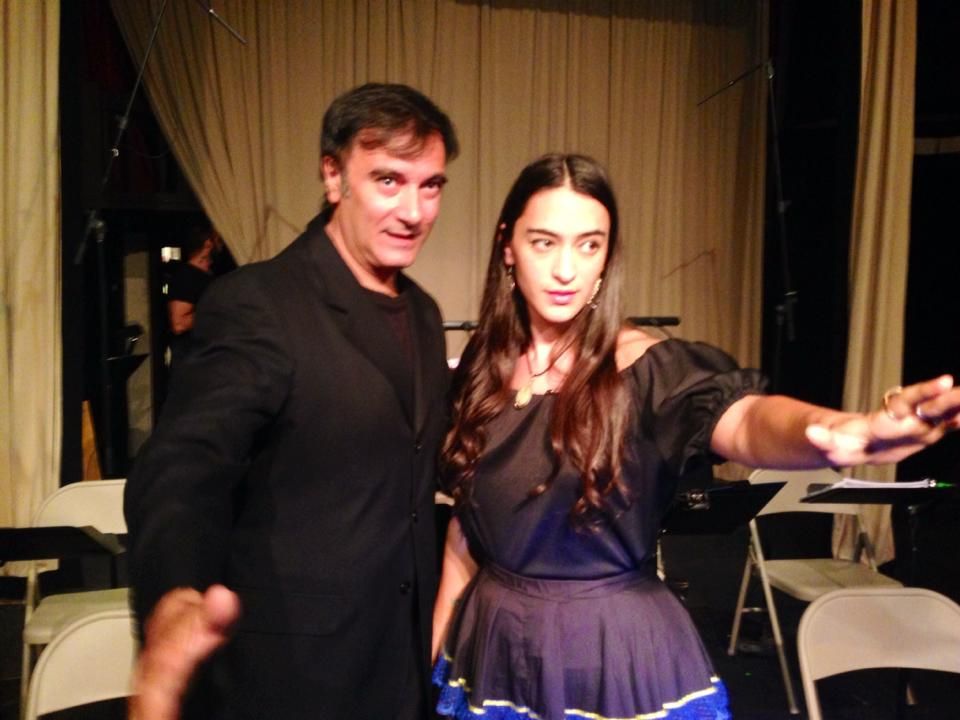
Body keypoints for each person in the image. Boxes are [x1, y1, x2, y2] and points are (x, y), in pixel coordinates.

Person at [429, 153, 960, 720]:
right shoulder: (479, 371)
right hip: (497, 645)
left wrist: (837, 429)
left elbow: (745, 419)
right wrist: (429, 665)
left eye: (589, 245)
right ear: (508, 246)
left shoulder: (648, 368)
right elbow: (464, 538)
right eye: (544, 243)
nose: (567, 270)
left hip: (613, 651)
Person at [125, 83, 459, 720]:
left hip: (401, 665)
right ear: (333, 176)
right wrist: (173, 595)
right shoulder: (260, 302)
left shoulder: (422, 311)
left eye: (431, 186)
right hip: (296, 678)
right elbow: (183, 467)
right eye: (389, 180)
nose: (414, 210)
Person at [166, 225, 221, 369]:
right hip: (193, 361)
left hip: (209, 358)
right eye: (218, 239)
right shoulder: (186, 276)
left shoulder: (209, 274)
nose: (221, 243)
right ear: (208, 243)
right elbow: (179, 323)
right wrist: (217, 314)